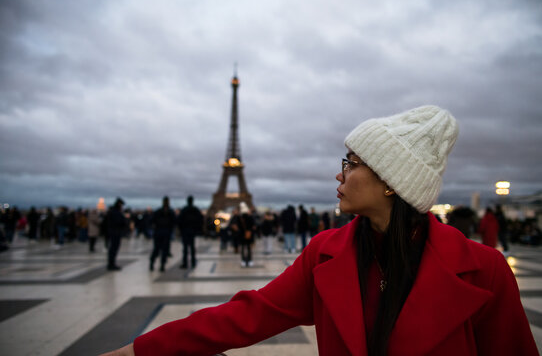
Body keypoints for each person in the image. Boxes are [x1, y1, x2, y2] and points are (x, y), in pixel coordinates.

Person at [100, 106, 537, 356]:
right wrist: (142, 351)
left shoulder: (486, 271)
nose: (339, 174)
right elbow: (246, 316)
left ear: (391, 180)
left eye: (351, 162)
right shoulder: (326, 254)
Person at [150, 196, 177, 272]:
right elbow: (175, 222)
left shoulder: (159, 211)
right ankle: (161, 264)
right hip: (164, 233)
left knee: (158, 249)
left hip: (159, 232)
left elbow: (151, 221)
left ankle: (155, 263)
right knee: (161, 250)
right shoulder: (170, 212)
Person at [178, 195, 203, 269]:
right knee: (192, 247)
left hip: (185, 231)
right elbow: (200, 220)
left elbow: (179, 220)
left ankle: (185, 263)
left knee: (185, 248)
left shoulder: (184, 210)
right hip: (192, 231)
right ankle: (193, 262)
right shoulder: (195, 210)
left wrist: (181, 230)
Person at [106, 198, 127, 271]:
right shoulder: (115, 212)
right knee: (113, 248)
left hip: (114, 232)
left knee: (113, 248)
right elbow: (119, 222)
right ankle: (111, 264)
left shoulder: (113, 211)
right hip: (115, 232)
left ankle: (111, 263)